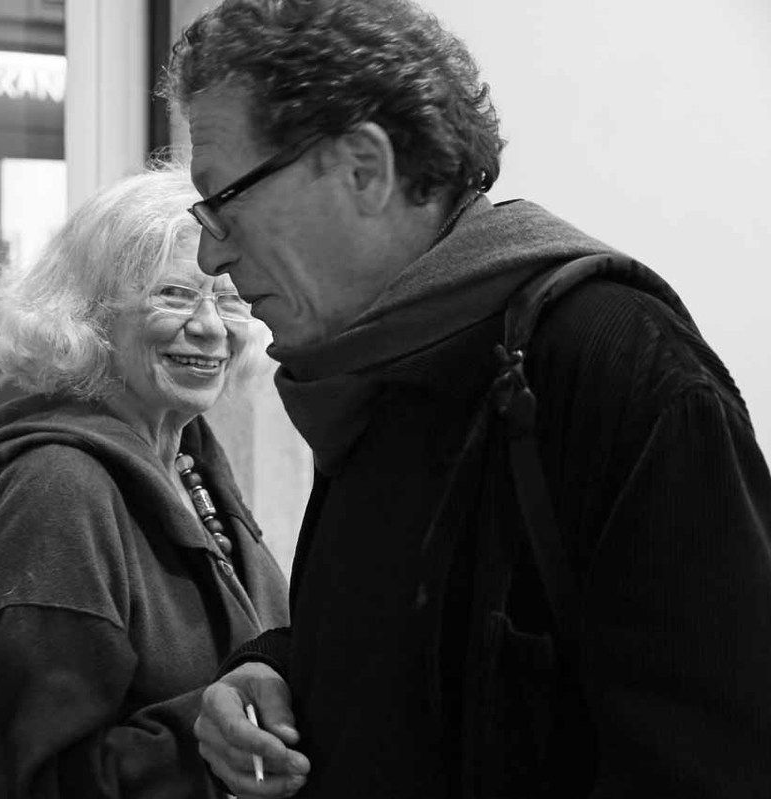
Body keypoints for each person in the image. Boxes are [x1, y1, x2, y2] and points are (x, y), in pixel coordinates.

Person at [162, 1, 771, 797]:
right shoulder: (377, 364)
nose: (211, 256)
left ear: (363, 168)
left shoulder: (617, 363)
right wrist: (269, 670)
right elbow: (414, 662)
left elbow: (713, 761)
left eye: (225, 200)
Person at [0, 166, 290, 798]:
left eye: (231, 297)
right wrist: (209, 733)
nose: (211, 326)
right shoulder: (56, 491)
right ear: (89, 315)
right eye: (175, 295)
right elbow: (13, 779)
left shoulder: (191, 463)